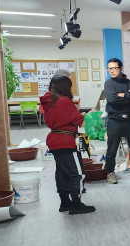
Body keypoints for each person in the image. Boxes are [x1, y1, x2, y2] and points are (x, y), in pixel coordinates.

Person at [40, 75, 95, 215]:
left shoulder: (48, 102)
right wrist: (88, 115)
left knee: (62, 173)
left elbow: (61, 117)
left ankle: (65, 202)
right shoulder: (64, 101)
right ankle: (76, 204)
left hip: (54, 140)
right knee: (77, 174)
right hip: (66, 141)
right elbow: (80, 122)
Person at [103, 58, 130, 184]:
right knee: (112, 148)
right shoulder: (109, 84)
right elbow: (112, 99)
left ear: (121, 68)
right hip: (114, 120)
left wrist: (123, 95)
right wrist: (129, 97)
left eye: (114, 68)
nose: (111, 71)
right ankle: (110, 172)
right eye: (109, 68)